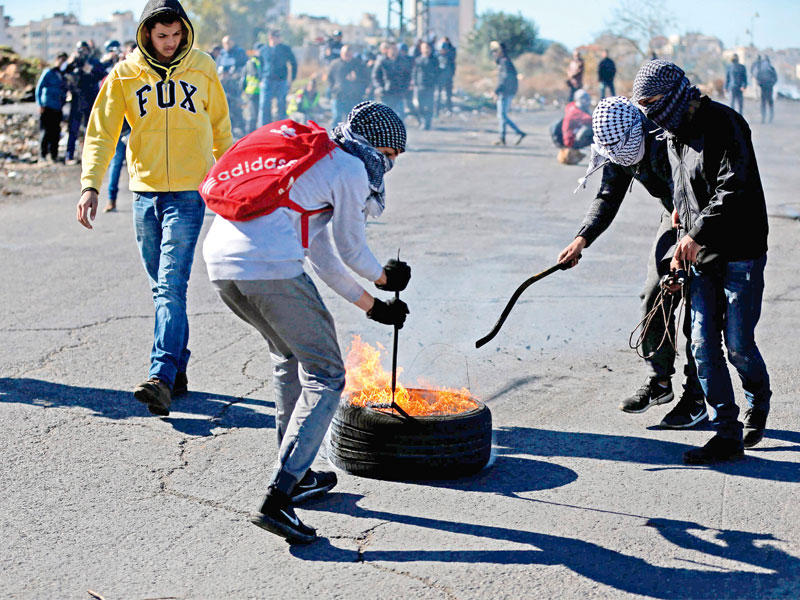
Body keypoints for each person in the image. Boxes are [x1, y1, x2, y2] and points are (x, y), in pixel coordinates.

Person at [202, 101, 410, 544]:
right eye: (391, 155)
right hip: (269, 267)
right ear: (375, 145)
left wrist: (372, 305)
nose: (389, 166)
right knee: (328, 374)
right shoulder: (350, 167)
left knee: (289, 357)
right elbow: (352, 249)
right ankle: (279, 496)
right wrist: (385, 278)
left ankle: (296, 474)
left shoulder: (315, 162)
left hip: (221, 266)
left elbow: (323, 256)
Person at [76, 0, 233, 414]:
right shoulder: (125, 74)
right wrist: (91, 185)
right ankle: (178, 366)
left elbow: (221, 128)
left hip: (189, 194)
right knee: (162, 287)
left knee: (170, 285)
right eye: (162, 35)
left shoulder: (203, 67)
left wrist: (233, 183)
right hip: (144, 194)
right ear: (146, 33)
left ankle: (160, 376)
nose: (170, 43)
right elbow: (101, 133)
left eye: (176, 34)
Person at [632, 59, 771, 464]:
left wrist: (696, 233)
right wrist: (681, 225)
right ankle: (727, 432)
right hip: (701, 254)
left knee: (739, 345)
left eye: (653, 103)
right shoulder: (671, 134)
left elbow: (733, 186)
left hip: (741, 250)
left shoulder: (726, 123)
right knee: (703, 345)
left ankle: (757, 402)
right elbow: (682, 188)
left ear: (675, 94)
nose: (650, 114)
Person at [559, 96, 707, 429]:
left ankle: (697, 395)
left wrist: (682, 251)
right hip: (672, 215)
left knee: (697, 304)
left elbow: (698, 187)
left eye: (623, 149)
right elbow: (608, 196)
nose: (620, 157)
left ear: (637, 129)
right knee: (655, 295)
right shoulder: (617, 146)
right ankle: (659, 381)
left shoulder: (665, 137)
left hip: (703, 219)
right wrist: (582, 239)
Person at [64, 40, 105, 164]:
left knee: (90, 128)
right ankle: (69, 155)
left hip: (90, 98)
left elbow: (103, 74)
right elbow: (62, 71)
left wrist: (90, 69)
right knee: (73, 128)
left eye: (85, 50)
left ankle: (89, 155)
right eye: (80, 50)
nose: (83, 52)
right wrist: (70, 61)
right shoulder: (74, 62)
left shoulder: (93, 61)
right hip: (77, 98)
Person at [258, 30, 297, 127]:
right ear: (271, 38)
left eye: (279, 36)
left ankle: (282, 127)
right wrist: (260, 79)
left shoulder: (285, 49)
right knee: (264, 105)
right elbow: (259, 65)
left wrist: (292, 79)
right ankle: (264, 127)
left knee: (281, 105)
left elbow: (293, 63)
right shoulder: (263, 50)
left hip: (281, 81)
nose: (279, 39)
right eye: (276, 37)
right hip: (267, 80)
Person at [490, 40, 525, 146]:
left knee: (502, 116)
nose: (494, 54)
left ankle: (518, 133)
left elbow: (504, 79)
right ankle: (502, 138)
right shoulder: (506, 62)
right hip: (507, 91)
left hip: (505, 92)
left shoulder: (504, 62)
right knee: (501, 116)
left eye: (495, 51)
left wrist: (496, 91)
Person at [35, 52, 68, 163]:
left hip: (57, 107)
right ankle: (42, 155)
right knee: (45, 132)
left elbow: (64, 90)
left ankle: (54, 155)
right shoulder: (49, 72)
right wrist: (40, 104)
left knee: (55, 132)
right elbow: (39, 88)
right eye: (61, 60)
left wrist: (63, 102)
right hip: (47, 106)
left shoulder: (63, 76)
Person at [327, 44, 368, 127]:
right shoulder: (335, 64)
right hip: (338, 95)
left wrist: (356, 79)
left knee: (351, 120)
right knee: (337, 117)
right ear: (341, 54)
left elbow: (366, 79)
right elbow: (330, 78)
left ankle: (349, 135)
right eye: (345, 54)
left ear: (352, 54)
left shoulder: (358, 64)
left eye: (349, 54)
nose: (347, 56)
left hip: (353, 97)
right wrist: (333, 89)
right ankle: (334, 134)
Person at [218, 35, 248, 135]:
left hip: (235, 86)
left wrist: (235, 75)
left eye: (228, 43)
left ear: (232, 42)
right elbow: (217, 67)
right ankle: (229, 130)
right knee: (225, 108)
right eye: (224, 43)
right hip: (224, 85)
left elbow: (245, 67)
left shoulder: (239, 52)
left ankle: (242, 129)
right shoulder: (222, 54)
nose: (226, 45)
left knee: (236, 108)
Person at [371, 43, 408, 121]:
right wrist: (380, 87)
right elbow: (375, 76)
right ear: (388, 50)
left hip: (398, 93)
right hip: (386, 94)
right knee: (385, 118)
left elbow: (407, 76)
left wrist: (404, 88)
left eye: (396, 49)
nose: (394, 51)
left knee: (400, 117)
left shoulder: (402, 61)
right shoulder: (382, 61)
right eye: (392, 49)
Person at [412, 41, 438, 130]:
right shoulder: (418, 60)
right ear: (421, 49)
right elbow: (414, 72)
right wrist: (414, 82)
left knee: (429, 105)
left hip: (430, 86)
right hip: (420, 85)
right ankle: (422, 120)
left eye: (427, 48)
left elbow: (438, 72)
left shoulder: (434, 60)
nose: (426, 50)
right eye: (424, 48)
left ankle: (427, 122)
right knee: (420, 105)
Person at [243, 44, 263, 133]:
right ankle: (249, 133)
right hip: (253, 92)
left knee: (257, 115)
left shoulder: (256, 61)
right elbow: (256, 75)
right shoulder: (253, 62)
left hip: (257, 92)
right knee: (253, 116)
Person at [435, 37, 456, 115]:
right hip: (439, 79)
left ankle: (449, 109)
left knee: (448, 95)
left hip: (448, 79)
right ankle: (437, 110)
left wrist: (451, 75)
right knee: (438, 95)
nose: (443, 51)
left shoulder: (450, 57)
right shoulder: (436, 57)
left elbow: (453, 67)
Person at [755, 56, 777, 124]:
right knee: (770, 103)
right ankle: (771, 117)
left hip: (763, 88)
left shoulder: (761, 68)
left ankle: (763, 118)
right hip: (769, 87)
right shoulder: (771, 68)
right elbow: (775, 78)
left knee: (763, 103)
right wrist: (772, 84)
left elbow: (757, 77)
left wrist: (760, 84)